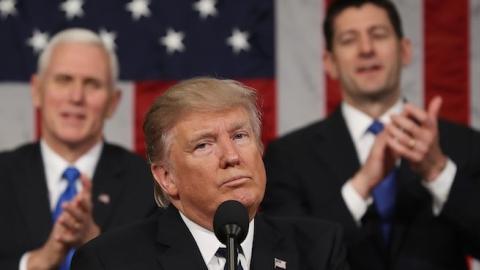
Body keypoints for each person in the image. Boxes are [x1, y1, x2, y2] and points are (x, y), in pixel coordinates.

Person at [261, 0, 480, 269]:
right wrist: (360, 185)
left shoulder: (463, 144)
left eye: (378, 35)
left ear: (405, 50)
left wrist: (438, 172)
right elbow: (288, 259)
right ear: (330, 63)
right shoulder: (288, 157)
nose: (366, 49)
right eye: (349, 40)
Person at [70, 77, 348, 270]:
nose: (231, 156)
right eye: (204, 145)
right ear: (167, 177)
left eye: (240, 136)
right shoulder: (110, 262)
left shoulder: (318, 249)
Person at [0, 28, 156, 270]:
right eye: (64, 80)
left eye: (92, 84)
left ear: (113, 102)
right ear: (37, 90)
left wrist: (96, 245)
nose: (76, 97)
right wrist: (34, 264)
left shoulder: (151, 184)